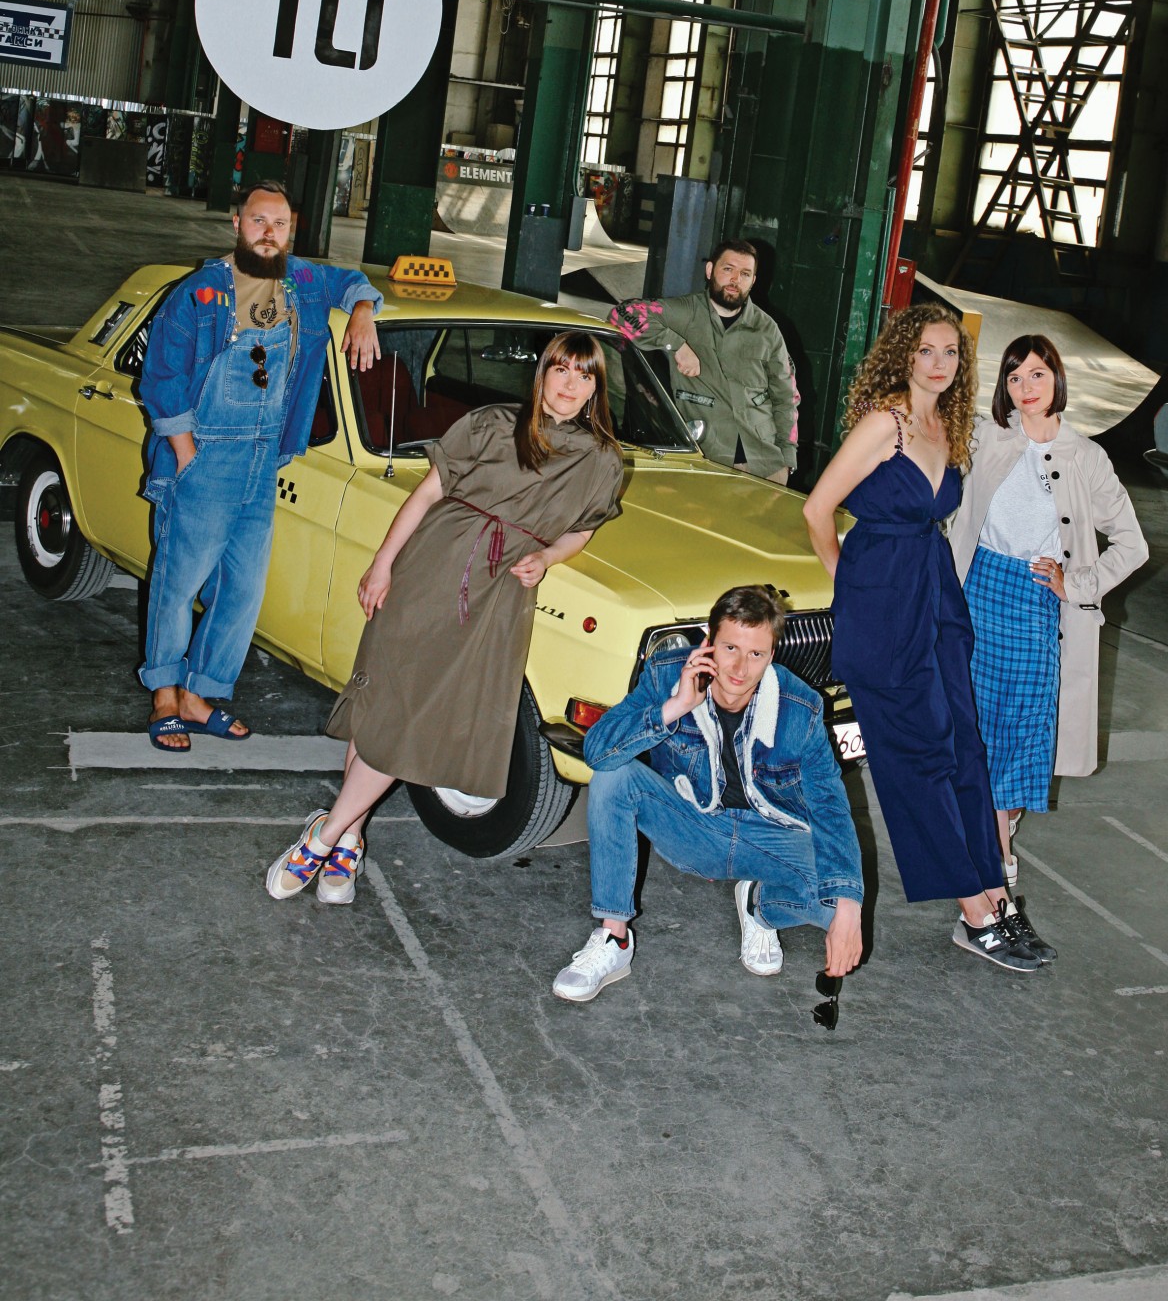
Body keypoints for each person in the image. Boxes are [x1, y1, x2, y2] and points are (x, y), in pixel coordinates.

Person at [266, 330, 624, 905]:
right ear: (542, 373)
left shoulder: (602, 459)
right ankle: (347, 838)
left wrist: (548, 556)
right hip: (429, 567)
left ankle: (325, 834)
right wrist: (383, 564)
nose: (571, 384)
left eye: (585, 375)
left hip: (496, 595)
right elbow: (426, 495)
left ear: (596, 389)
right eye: (562, 369)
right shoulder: (493, 423)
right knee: (384, 701)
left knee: (417, 716)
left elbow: (582, 529)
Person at [802, 304, 1050, 973]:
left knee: (964, 745)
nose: (939, 363)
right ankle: (974, 911)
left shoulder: (947, 426)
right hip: (884, 601)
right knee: (917, 756)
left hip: (935, 594)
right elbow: (817, 509)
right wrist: (851, 586)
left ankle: (994, 892)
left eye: (951, 353)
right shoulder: (884, 423)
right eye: (927, 351)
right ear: (903, 356)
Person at [138, 179, 381, 752]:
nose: (268, 234)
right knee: (178, 583)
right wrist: (187, 454)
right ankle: (164, 695)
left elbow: (351, 281)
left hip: (263, 457)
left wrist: (363, 310)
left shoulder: (302, 282)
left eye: (279, 224)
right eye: (258, 221)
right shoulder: (200, 292)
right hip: (206, 456)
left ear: (290, 229)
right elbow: (162, 378)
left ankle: (201, 694)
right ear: (237, 223)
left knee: (242, 590)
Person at [552, 584, 863, 1002]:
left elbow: (830, 806)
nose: (740, 668)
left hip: (769, 839)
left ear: (772, 655)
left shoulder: (800, 706)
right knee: (614, 777)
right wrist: (675, 706)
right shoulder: (667, 674)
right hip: (694, 828)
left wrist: (848, 906)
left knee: (840, 908)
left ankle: (760, 908)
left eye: (756, 654)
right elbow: (597, 751)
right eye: (730, 648)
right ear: (709, 642)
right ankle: (614, 937)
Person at [950, 334, 1148, 887]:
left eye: (1036, 374)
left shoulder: (1086, 457)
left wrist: (1078, 583)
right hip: (977, 591)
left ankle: (997, 833)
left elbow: (1133, 544)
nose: (1026, 388)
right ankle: (995, 851)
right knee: (975, 723)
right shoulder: (984, 436)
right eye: (1014, 378)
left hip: (1038, 600)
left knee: (1023, 727)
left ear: (1056, 378)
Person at [608, 238, 797, 483]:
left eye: (745, 274)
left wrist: (787, 459)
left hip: (766, 464)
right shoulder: (685, 312)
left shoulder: (767, 329)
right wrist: (677, 345)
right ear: (710, 270)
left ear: (753, 281)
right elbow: (621, 314)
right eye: (728, 269)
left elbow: (786, 397)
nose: (735, 279)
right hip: (707, 460)